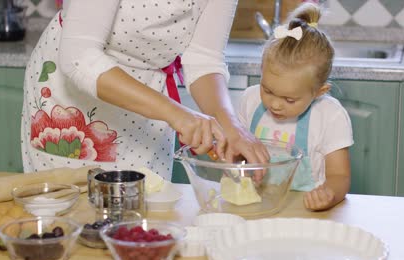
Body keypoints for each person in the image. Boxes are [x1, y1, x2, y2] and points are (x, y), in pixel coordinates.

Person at [21, 0, 270, 179]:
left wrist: (231, 126)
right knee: (69, 213)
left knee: (145, 213)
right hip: (73, 100)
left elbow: (204, 59)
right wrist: (177, 114)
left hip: (149, 105)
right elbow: (80, 58)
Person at [237, 3, 353, 211]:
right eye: (268, 90)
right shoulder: (250, 100)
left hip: (306, 214)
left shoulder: (330, 116)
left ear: (319, 91)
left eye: (289, 100)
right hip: (257, 208)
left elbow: (340, 176)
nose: (274, 104)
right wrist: (239, 170)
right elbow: (238, 155)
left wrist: (328, 194)